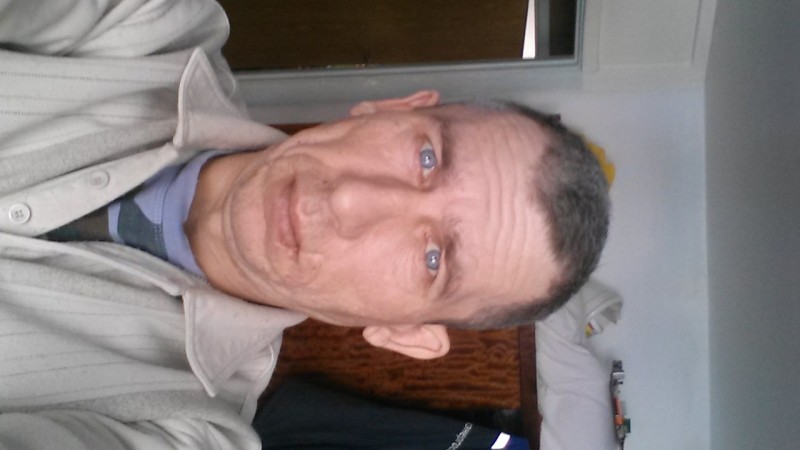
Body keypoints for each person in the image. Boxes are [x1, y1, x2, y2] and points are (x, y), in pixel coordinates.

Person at [0, 1, 609, 449]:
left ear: (406, 334)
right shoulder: (151, 21)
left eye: (433, 259)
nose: (348, 200)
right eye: (426, 157)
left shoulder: (182, 435)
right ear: (390, 108)